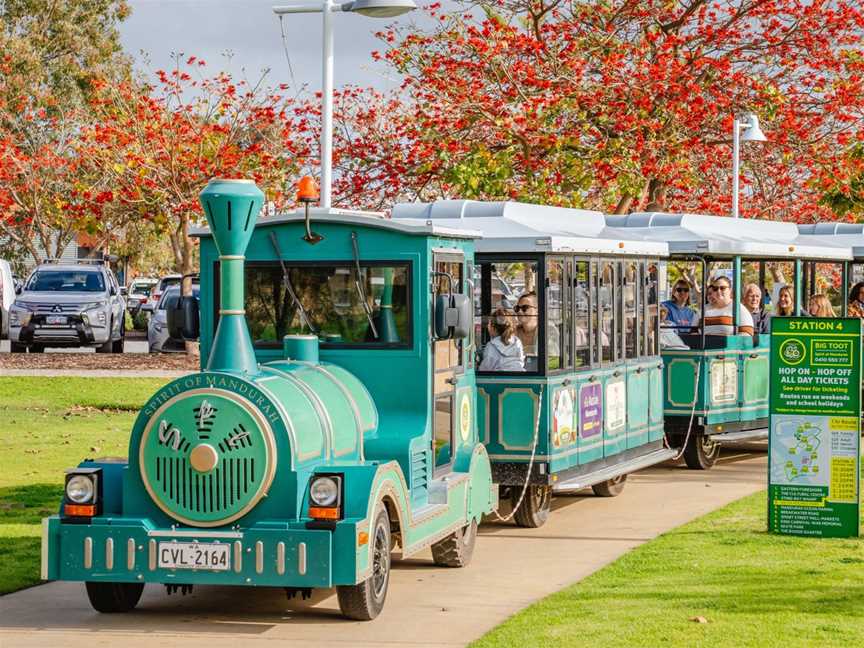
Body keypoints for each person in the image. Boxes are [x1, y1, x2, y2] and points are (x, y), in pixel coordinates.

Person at [515, 291, 560, 359]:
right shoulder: (513, 332)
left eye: (525, 308)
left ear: (537, 310)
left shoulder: (548, 331)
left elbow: (553, 358)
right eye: (517, 308)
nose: (519, 311)